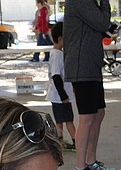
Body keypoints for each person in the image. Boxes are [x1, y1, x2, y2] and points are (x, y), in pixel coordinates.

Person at [64, 0, 117, 170]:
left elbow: (101, 27)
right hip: (81, 67)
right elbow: (102, 23)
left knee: (98, 113)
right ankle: (80, 168)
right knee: (86, 117)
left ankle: (91, 161)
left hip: (92, 66)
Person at [46, 22, 77, 151]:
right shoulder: (56, 55)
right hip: (60, 96)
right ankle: (76, 142)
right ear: (60, 38)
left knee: (61, 120)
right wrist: (63, 94)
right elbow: (56, 76)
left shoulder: (59, 53)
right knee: (67, 120)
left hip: (61, 96)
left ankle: (60, 140)